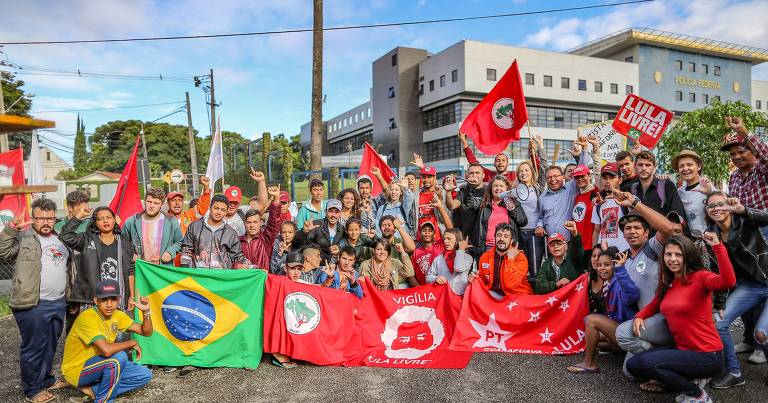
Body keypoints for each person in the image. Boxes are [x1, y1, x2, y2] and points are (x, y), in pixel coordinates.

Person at [628, 233, 735, 403]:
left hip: (708, 355)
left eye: (678, 255)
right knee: (633, 365)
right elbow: (655, 304)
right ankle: (693, 379)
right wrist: (640, 316)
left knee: (647, 364)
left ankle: (696, 394)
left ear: (688, 256)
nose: (672, 259)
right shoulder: (668, 281)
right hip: (684, 351)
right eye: (668, 254)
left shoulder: (700, 277)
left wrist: (718, 247)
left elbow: (728, 282)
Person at [0, 198, 75, 403]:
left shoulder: (60, 238)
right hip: (33, 303)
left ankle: (46, 379)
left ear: (54, 219)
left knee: (51, 344)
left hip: (58, 301)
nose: (45, 222)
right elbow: (3, 252)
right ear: (33, 218)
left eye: (50, 218)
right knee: (34, 347)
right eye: (41, 218)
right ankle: (32, 389)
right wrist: (10, 230)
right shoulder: (24, 237)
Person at [610, 189, 678, 385]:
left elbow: (668, 229)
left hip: (664, 319)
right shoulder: (626, 260)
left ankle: (668, 365)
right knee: (630, 372)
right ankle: (661, 356)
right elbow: (630, 298)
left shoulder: (651, 248)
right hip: (645, 322)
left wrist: (635, 203)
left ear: (647, 232)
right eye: (628, 228)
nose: (632, 231)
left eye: (637, 227)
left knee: (623, 333)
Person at [704, 193, 768, 389]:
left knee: (761, 334)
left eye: (720, 204)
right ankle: (734, 372)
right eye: (711, 206)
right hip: (750, 285)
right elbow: (719, 272)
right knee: (719, 323)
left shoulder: (745, 220)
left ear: (729, 205)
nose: (716, 208)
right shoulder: (711, 235)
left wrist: (743, 210)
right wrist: (720, 303)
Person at [61, 280, 153, 403]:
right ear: (96, 301)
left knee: (144, 374)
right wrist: (131, 343)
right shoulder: (87, 317)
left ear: (119, 300)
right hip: (78, 369)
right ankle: (104, 400)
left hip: (101, 363)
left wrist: (146, 312)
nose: (109, 304)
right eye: (104, 300)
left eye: (113, 299)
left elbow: (146, 332)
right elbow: (106, 350)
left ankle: (94, 390)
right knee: (118, 358)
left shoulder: (117, 315)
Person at [566, 247, 639, 374]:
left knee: (591, 320)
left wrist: (620, 270)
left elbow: (632, 295)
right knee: (592, 340)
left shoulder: (619, 281)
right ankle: (617, 349)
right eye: (599, 265)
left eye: (607, 265)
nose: (602, 268)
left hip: (628, 332)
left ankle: (589, 364)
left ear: (615, 265)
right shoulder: (607, 283)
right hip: (618, 326)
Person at [60, 205, 135, 313]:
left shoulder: (124, 241)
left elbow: (130, 270)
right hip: (92, 300)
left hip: (118, 299)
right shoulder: (86, 239)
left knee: (117, 329)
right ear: (95, 222)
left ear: (115, 220)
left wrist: (131, 296)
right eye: (100, 219)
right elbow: (65, 236)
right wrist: (79, 216)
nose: (105, 221)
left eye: (109, 217)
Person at [536, 139, 595, 240]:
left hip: (570, 242)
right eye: (549, 177)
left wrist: (585, 148)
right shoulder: (542, 197)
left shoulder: (571, 188)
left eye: (556, 176)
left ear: (563, 177)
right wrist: (539, 226)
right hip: (551, 244)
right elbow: (541, 217)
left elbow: (582, 168)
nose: (553, 179)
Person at [720, 116, 768, 238]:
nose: (736, 156)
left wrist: (744, 133)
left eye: (741, 152)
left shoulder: (761, 169)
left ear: (753, 152)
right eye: (732, 154)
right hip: (744, 234)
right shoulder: (734, 177)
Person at [180, 194, 250, 269]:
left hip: (220, 277)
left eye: (223, 210)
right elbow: (186, 251)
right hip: (198, 276)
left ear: (226, 212)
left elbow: (237, 256)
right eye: (216, 208)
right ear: (210, 208)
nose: (219, 212)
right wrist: (184, 269)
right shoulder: (194, 227)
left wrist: (251, 267)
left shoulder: (231, 233)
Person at [510, 143, 547, 278]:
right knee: (518, 268)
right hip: (518, 234)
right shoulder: (513, 191)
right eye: (521, 171)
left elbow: (543, 168)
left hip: (535, 234)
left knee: (534, 269)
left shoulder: (538, 188)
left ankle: (533, 296)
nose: (523, 173)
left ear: (532, 173)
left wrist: (540, 147)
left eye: (526, 170)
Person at [122, 187, 183, 267]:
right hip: (140, 269)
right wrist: (131, 254)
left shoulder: (171, 221)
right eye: (149, 202)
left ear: (162, 204)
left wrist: (170, 252)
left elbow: (180, 241)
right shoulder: (132, 221)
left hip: (163, 269)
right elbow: (122, 242)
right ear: (144, 201)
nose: (151, 206)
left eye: (156, 203)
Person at [470, 175, 526, 259]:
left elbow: (523, 222)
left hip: (507, 248)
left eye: (501, 186)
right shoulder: (484, 204)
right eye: (495, 186)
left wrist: (512, 210)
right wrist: (470, 187)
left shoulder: (514, 203)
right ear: (490, 188)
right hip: (486, 247)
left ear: (506, 188)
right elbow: (468, 204)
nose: (498, 188)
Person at [628, 151, 687, 223]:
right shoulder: (632, 189)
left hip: (664, 233)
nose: (643, 168)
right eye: (640, 165)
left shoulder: (666, 185)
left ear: (654, 168)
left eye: (648, 165)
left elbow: (677, 217)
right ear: (635, 167)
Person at [476, 223, 533, 296]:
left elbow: (510, 284)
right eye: (498, 235)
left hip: (517, 295)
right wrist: (474, 279)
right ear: (495, 238)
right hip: (495, 295)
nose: (501, 239)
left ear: (511, 241)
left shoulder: (520, 257)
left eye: (506, 236)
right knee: (474, 290)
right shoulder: (485, 256)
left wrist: (510, 260)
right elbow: (482, 280)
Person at [535, 221, 585, 295]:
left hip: (574, 298)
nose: (555, 246)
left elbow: (577, 248)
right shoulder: (546, 264)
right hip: (557, 301)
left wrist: (575, 234)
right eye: (552, 245)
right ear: (549, 249)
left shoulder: (574, 258)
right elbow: (538, 287)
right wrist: (556, 284)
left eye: (559, 243)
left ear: (566, 246)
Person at [240, 185, 282, 270]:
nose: (252, 225)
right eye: (249, 222)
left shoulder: (266, 239)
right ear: (245, 223)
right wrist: (237, 266)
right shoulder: (238, 241)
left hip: (261, 280)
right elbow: (233, 260)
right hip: (243, 280)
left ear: (260, 223)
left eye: (255, 222)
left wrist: (276, 198)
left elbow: (274, 221)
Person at [672, 150, 714, 236]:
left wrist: (710, 193)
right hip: (688, 241)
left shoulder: (708, 188)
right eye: (681, 166)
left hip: (709, 240)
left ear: (698, 167)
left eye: (689, 164)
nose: (685, 168)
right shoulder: (679, 192)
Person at [444, 163, 487, 243]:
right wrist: (448, 192)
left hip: (483, 238)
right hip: (464, 238)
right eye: (471, 173)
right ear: (467, 176)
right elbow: (452, 205)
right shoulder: (463, 191)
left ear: (483, 175)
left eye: (477, 173)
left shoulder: (489, 191)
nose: (474, 175)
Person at [591, 163, 629, 251]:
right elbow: (597, 230)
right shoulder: (598, 203)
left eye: (612, 178)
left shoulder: (627, 200)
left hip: (622, 252)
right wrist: (594, 252)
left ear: (620, 180)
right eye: (604, 178)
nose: (608, 181)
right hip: (603, 254)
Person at [426, 228, 473, 295]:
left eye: (449, 238)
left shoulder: (467, 257)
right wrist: (436, 278)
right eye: (444, 239)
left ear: (457, 240)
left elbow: (458, 268)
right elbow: (428, 277)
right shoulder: (438, 259)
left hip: (461, 297)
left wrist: (460, 250)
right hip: (444, 296)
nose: (445, 241)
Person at [370, 167, 415, 237]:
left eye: (397, 190)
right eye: (392, 190)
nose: (394, 192)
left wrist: (406, 188)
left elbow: (409, 198)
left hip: (400, 243)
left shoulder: (404, 206)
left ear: (401, 192)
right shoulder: (382, 208)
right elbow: (377, 225)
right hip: (386, 243)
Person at [587, 246, 606, 315]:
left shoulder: (610, 278)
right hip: (596, 320)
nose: (596, 259)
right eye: (593, 256)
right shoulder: (588, 278)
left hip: (613, 320)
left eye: (599, 256)